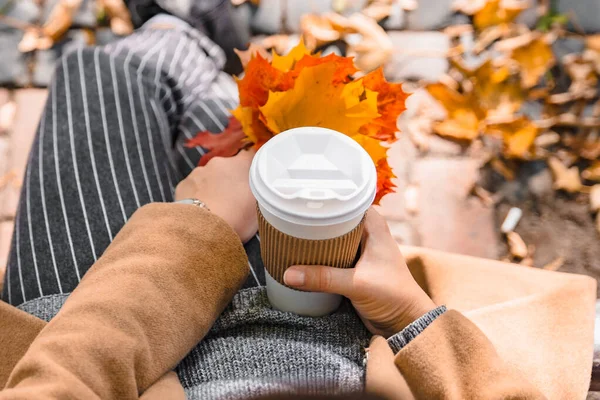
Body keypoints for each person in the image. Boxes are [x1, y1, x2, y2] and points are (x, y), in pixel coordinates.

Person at [0, 14, 545, 400]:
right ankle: (200, 47)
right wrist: (409, 317)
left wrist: (196, 227)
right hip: (336, 334)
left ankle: (176, 31)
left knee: (103, 77)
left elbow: (62, 385)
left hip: (103, 338)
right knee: (242, 136)